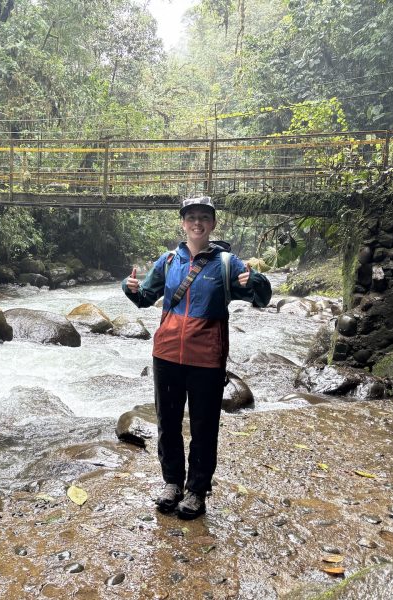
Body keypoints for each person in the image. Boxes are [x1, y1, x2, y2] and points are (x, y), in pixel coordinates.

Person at [122, 196, 271, 520]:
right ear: (183, 223)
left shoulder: (228, 264)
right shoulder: (169, 261)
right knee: (168, 423)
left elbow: (261, 298)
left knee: (205, 427)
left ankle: (196, 490)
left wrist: (255, 281)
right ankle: (172, 483)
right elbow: (145, 298)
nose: (197, 223)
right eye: (192, 218)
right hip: (167, 355)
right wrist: (130, 287)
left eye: (204, 217)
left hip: (207, 357)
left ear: (213, 223)